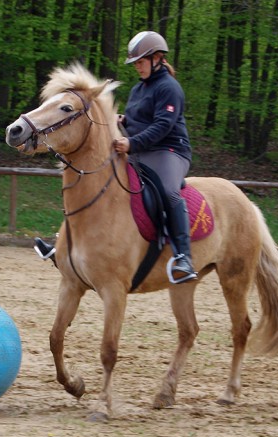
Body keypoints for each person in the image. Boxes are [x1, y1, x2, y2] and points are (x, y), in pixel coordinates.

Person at [33, 31, 196, 284]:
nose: (138, 67)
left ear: (157, 58)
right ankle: (64, 246)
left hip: (169, 151)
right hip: (140, 150)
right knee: (93, 184)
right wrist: (124, 121)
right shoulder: (139, 88)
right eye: (135, 62)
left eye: (141, 61)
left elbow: (163, 125)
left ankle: (184, 256)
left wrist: (131, 142)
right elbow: (139, 119)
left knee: (168, 190)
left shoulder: (169, 88)